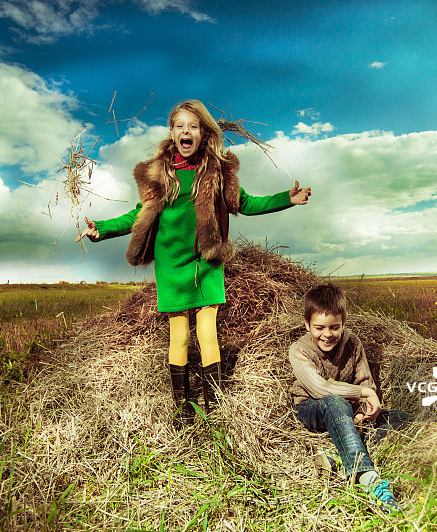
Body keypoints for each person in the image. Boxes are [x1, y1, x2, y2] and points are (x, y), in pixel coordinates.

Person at [78, 99, 311, 426]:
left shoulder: (218, 171)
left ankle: (212, 406)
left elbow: (246, 203)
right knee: (179, 337)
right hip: (172, 266)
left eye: (193, 126)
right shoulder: (160, 174)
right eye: (179, 126)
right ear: (172, 132)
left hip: (207, 262)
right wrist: (100, 229)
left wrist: (287, 198)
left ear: (203, 133)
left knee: (206, 333)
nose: (186, 131)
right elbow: (138, 215)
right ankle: (182, 408)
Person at [289, 283, 403, 514]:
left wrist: (362, 412)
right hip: (313, 409)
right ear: (307, 325)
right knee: (335, 402)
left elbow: (365, 381)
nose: (327, 334)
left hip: (348, 413)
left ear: (343, 324)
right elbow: (319, 388)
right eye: (319, 327)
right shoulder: (299, 350)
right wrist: (363, 395)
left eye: (334, 327)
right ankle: (369, 479)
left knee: (402, 419)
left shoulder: (352, 343)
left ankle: (337, 455)